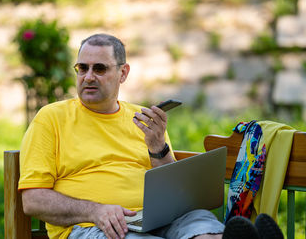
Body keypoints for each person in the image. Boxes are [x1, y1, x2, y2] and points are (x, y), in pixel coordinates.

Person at [18, 33, 262, 239]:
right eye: (82, 68)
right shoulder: (51, 118)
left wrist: (158, 147)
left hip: (156, 218)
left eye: (99, 68)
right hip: (94, 226)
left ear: (123, 73)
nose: (88, 76)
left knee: (202, 228)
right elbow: (33, 200)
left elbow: (173, 190)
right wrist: (96, 211)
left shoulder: (144, 119)